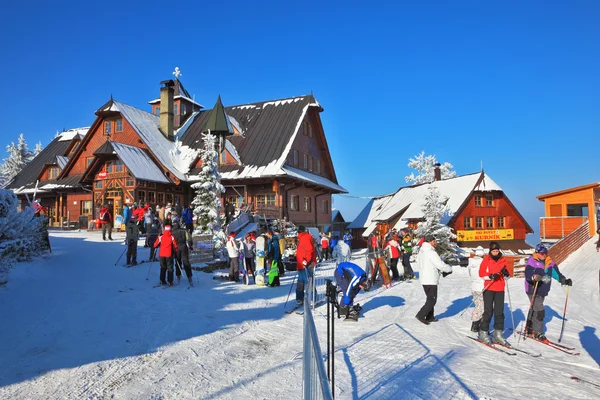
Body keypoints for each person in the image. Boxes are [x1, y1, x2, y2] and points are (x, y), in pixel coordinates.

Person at [524, 243, 573, 341]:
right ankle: (538, 332)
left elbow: (556, 274)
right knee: (539, 311)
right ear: (537, 252)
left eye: (545, 252)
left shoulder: (550, 262)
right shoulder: (532, 260)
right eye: (542, 253)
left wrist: (564, 280)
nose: (544, 254)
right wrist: (533, 276)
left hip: (543, 290)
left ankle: (529, 328)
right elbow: (528, 272)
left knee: (535, 308)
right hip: (533, 289)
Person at [415, 235, 453, 325]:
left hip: (424, 278)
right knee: (432, 300)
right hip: (431, 278)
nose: (435, 243)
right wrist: (449, 269)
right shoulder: (431, 252)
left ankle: (430, 317)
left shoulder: (421, 251)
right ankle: (420, 315)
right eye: (434, 241)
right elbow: (439, 265)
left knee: (429, 298)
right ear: (429, 242)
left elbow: (418, 263)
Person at [478, 241, 510, 345]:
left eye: (497, 250)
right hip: (489, 287)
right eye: (494, 251)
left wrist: (506, 274)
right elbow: (481, 273)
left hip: (500, 288)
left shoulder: (503, 260)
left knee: (499, 312)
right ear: (490, 251)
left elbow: (508, 276)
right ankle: (483, 332)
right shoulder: (486, 260)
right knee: (488, 311)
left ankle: (498, 333)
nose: (495, 252)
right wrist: (491, 276)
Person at [296, 225, 316, 305]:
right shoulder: (302, 238)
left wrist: (306, 261)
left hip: (307, 265)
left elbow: (309, 250)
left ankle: (312, 298)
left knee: (308, 281)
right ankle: (300, 298)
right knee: (300, 281)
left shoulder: (305, 237)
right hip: (301, 264)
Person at [468, 246, 485, 333]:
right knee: (482, 307)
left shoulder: (471, 262)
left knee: (478, 305)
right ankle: (477, 325)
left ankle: (475, 324)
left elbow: (470, 274)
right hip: (482, 287)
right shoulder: (483, 262)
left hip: (474, 287)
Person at [172, 221, 194, 286]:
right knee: (186, 261)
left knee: (178, 262)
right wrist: (190, 245)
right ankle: (189, 276)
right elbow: (189, 238)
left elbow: (172, 241)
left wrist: (172, 251)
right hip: (184, 247)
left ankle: (178, 275)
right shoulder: (184, 230)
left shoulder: (173, 232)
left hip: (176, 248)